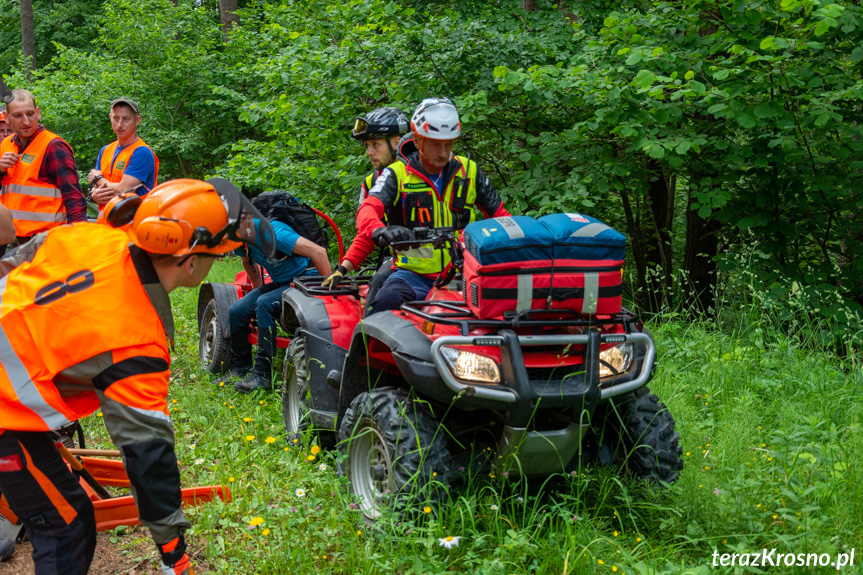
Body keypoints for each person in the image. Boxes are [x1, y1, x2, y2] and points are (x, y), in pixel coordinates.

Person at [0, 177, 274, 575]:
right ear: (189, 260)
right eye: (217, 255)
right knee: (67, 527)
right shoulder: (136, 340)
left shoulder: (87, 236)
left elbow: (13, 265)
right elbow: (149, 457)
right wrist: (172, 549)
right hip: (6, 416)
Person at [325, 97, 511, 313]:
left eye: (448, 144)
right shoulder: (396, 175)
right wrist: (380, 231)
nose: (443, 153)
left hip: (464, 274)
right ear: (417, 139)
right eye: (434, 144)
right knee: (382, 303)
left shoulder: (469, 170)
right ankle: (365, 347)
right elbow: (367, 210)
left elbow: (501, 218)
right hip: (414, 276)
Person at [225, 206, 332, 393]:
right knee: (237, 311)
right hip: (283, 282)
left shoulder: (274, 233)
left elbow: (319, 253)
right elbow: (247, 263)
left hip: (306, 279)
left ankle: (263, 374)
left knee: (265, 303)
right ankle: (241, 366)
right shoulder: (240, 238)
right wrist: (258, 291)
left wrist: (328, 295)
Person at [322, 106, 409, 299]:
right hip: (396, 259)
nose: (369, 152)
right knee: (377, 285)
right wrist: (342, 269)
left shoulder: (416, 177)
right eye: (367, 145)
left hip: (437, 261)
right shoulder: (370, 183)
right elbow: (366, 235)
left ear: (396, 143)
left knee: (380, 286)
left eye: (375, 145)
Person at [0, 89, 87, 243]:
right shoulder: (7, 145)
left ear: (38, 113)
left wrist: (77, 241)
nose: (26, 121)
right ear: (7, 118)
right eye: (18, 115)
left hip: (45, 241)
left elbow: (74, 198)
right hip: (13, 240)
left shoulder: (54, 146)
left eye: (30, 114)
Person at [88, 97, 159, 220]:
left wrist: (97, 178)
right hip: (105, 228)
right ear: (110, 118)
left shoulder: (141, 152)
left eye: (126, 119)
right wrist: (93, 195)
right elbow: (96, 190)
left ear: (137, 121)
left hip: (132, 229)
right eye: (116, 118)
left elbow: (122, 191)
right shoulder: (105, 150)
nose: (120, 125)